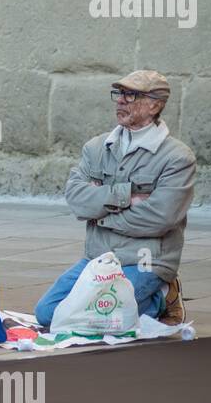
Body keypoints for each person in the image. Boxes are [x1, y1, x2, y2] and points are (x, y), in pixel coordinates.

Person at [35, 70, 193, 327]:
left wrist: (100, 214)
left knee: (88, 318)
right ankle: (147, 302)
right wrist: (126, 196)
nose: (120, 101)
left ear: (154, 105)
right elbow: (76, 198)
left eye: (131, 95)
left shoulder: (177, 157)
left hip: (144, 261)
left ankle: (163, 296)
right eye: (119, 94)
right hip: (98, 259)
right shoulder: (96, 147)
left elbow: (160, 218)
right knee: (49, 314)